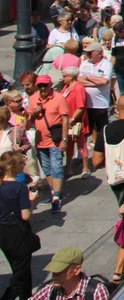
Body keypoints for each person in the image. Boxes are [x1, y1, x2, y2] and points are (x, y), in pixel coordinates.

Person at [26, 75, 68, 213]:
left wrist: (64, 139)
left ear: (51, 85)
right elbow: (28, 124)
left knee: (57, 168)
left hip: (54, 140)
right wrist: (32, 114)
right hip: (40, 141)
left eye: (45, 85)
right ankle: (54, 192)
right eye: (40, 86)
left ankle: (56, 197)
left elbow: (65, 120)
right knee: (47, 169)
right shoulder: (33, 99)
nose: (43, 88)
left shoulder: (59, 98)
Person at [0, 151, 36, 300]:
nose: (24, 164)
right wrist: (32, 200)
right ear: (11, 167)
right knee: (20, 274)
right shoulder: (19, 187)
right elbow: (25, 215)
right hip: (18, 233)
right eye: (21, 163)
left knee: (21, 269)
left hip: (2, 233)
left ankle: (26, 297)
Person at [31, 247, 111, 300]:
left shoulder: (96, 292)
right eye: (53, 270)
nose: (54, 275)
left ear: (77, 270)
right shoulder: (51, 290)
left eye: (60, 270)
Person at [78, 42, 113, 150]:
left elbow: (104, 81)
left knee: (102, 131)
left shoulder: (106, 64)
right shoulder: (85, 64)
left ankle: (104, 151)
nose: (87, 55)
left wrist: (87, 77)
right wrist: (95, 82)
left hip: (100, 104)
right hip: (86, 104)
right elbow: (79, 80)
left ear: (98, 53)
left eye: (90, 53)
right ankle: (81, 153)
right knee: (84, 131)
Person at [60, 67, 91, 180]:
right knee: (69, 145)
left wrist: (72, 119)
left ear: (70, 76)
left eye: (64, 76)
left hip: (76, 122)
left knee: (81, 145)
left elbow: (81, 106)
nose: (62, 78)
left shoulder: (78, 88)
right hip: (67, 121)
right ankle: (68, 168)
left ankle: (85, 168)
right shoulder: (65, 87)